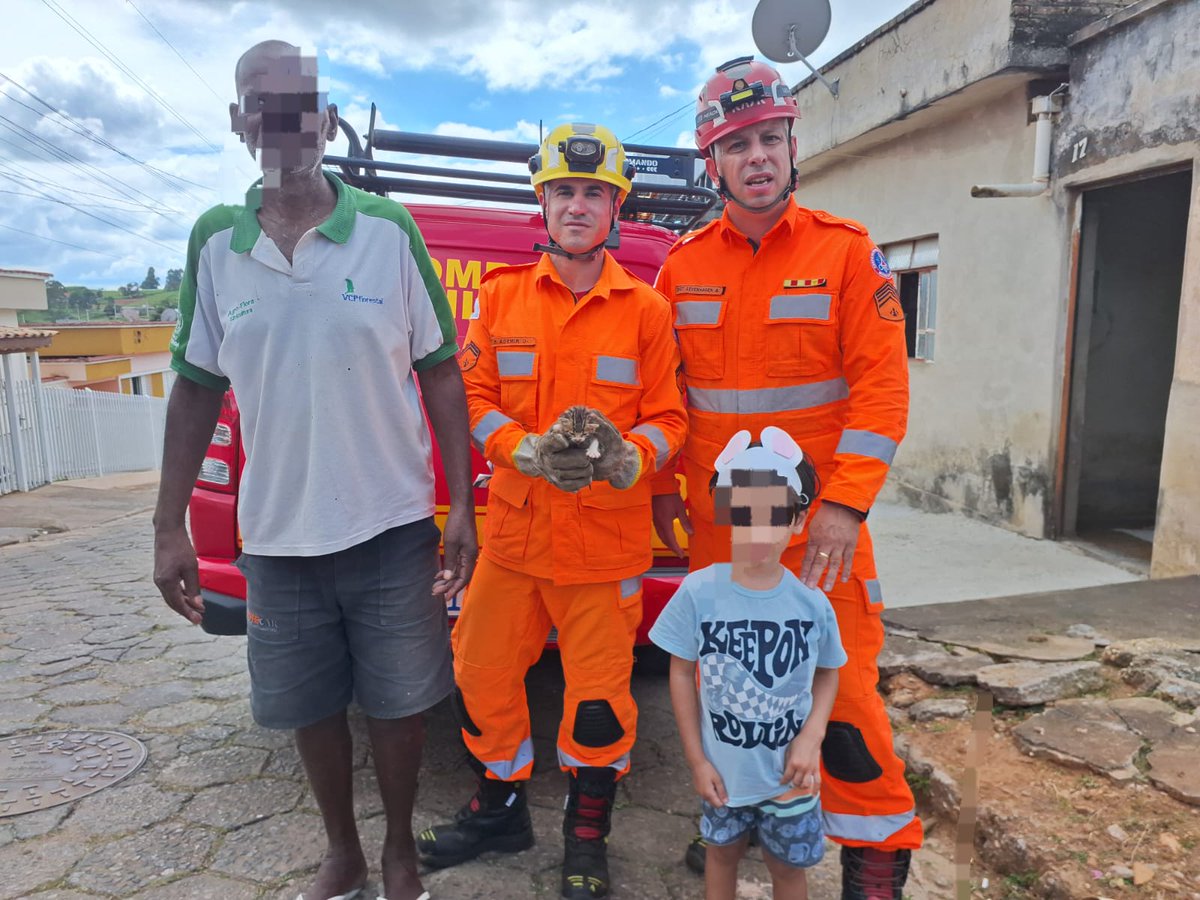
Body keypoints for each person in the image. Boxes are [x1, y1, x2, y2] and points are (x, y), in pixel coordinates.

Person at [152, 40, 476, 900]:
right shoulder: (216, 244)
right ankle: (344, 851)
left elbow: (441, 368)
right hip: (279, 534)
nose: (282, 119)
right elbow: (192, 387)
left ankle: (401, 849)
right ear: (239, 122)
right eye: (263, 102)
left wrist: (460, 507)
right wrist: (166, 526)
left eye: (300, 102)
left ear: (326, 121)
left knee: (402, 701)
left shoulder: (386, 231)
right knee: (306, 704)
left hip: (392, 522)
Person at [651, 56, 922, 898]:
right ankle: (746, 821)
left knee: (844, 707)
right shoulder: (680, 267)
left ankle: (875, 861)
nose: (757, 157)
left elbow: (882, 390)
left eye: (770, 138)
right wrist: (663, 495)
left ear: (792, 144)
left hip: (817, 539)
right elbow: (665, 398)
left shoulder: (846, 255)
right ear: (713, 163)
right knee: (734, 695)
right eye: (738, 145)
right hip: (721, 537)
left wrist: (844, 504)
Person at [416, 122, 687, 899]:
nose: (577, 205)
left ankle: (587, 836)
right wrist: (521, 450)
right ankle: (501, 807)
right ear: (543, 202)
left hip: (605, 547)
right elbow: (472, 395)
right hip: (513, 538)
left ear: (616, 208)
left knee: (599, 701)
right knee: (478, 669)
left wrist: (631, 454)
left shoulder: (646, 310)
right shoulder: (501, 299)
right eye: (564, 191)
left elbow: (671, 417)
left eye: (593, 192)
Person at [651, 427, 846, 900]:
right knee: (720, 856)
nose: (758, 528)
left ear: (799, 520)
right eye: (744, 512)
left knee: (787, 869)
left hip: (791, 781)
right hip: (724, 776)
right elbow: (680, 672)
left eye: (774, 514)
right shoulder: (697, 593)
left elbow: (828, 670)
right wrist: (697, 760)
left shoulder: (812, 604)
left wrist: (811, 738)